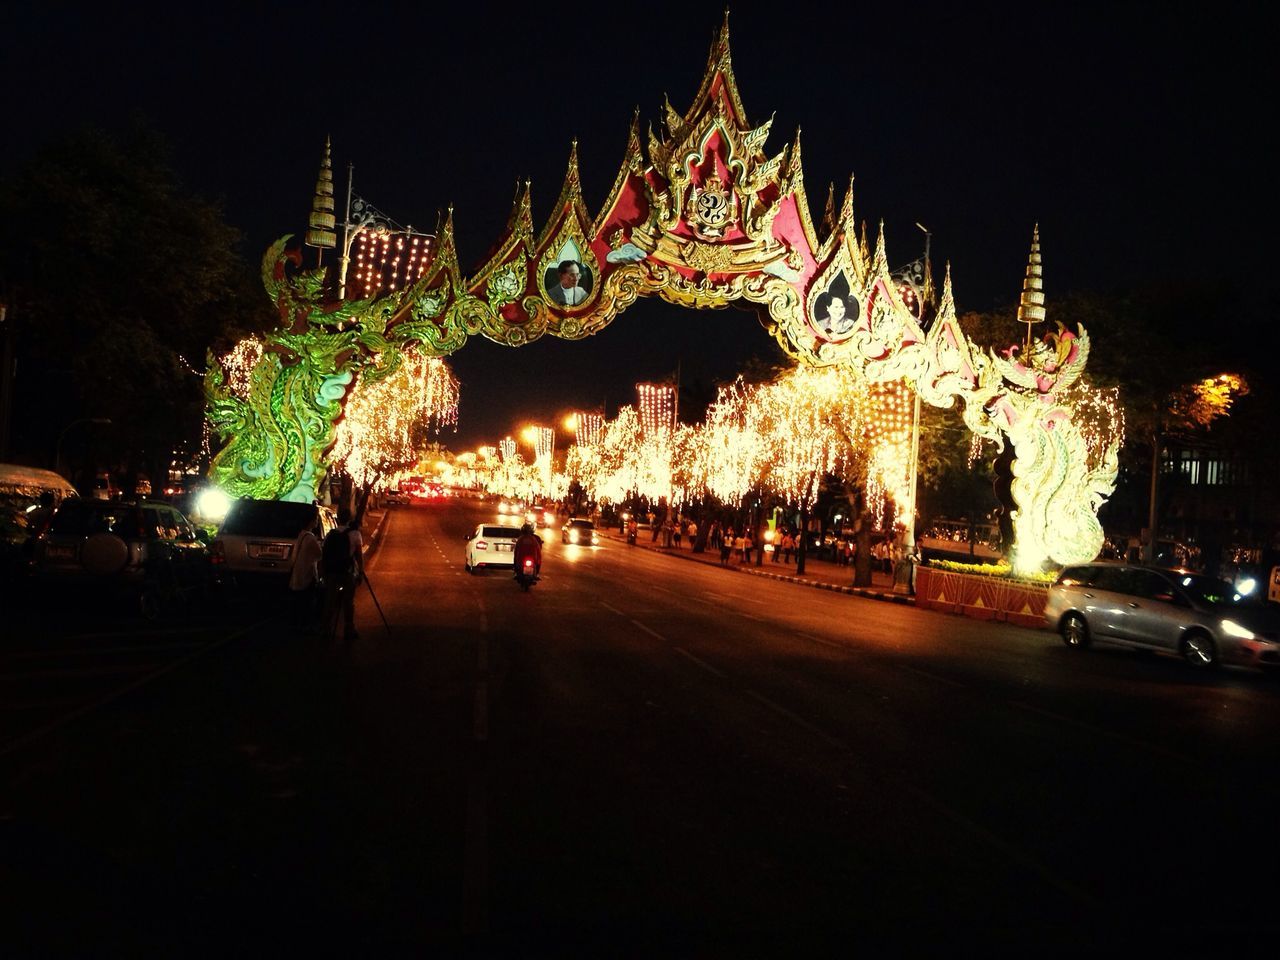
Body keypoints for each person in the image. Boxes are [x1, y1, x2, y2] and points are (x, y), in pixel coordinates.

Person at [322, 507, 364, 647]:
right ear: (350, 518)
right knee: (348, 601)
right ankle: (349, 628)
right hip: (347, 572)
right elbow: (358, 555)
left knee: (330, 599)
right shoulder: (355, 534)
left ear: (338, 518)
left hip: (332, 571)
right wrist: (361, 572)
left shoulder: (331, 533)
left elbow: (325, 553)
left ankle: (326, 629)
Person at [289, 518, 323, 634]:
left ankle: (298, 624)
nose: (317, 521)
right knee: (308, 601)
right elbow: (319, 554)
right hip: (308, 574)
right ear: (310, 521)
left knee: (300, 601)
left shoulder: (301, 535)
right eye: (316, 519)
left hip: (299, 573)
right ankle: (307, 625)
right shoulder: (310, 538)